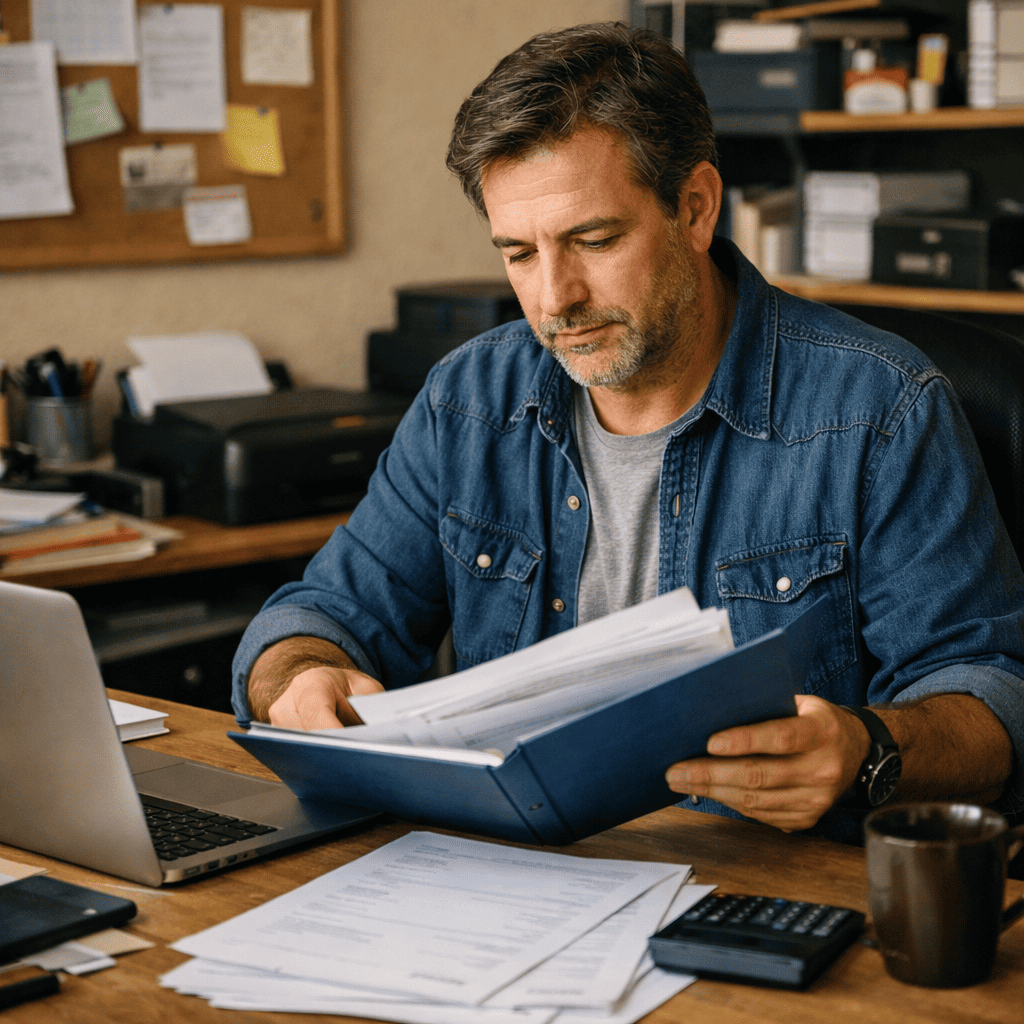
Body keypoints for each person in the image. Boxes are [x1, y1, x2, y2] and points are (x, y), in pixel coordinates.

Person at [232, 22, 1024, 844]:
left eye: (593, 240)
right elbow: (322, 614)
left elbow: (994, 696)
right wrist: (300, 677)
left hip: (765, 889)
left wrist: (867, 750)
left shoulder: (879, 408)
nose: (554, 298)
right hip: (505, 879)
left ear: (695, 207)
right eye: (518, 254)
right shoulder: (468, 401)